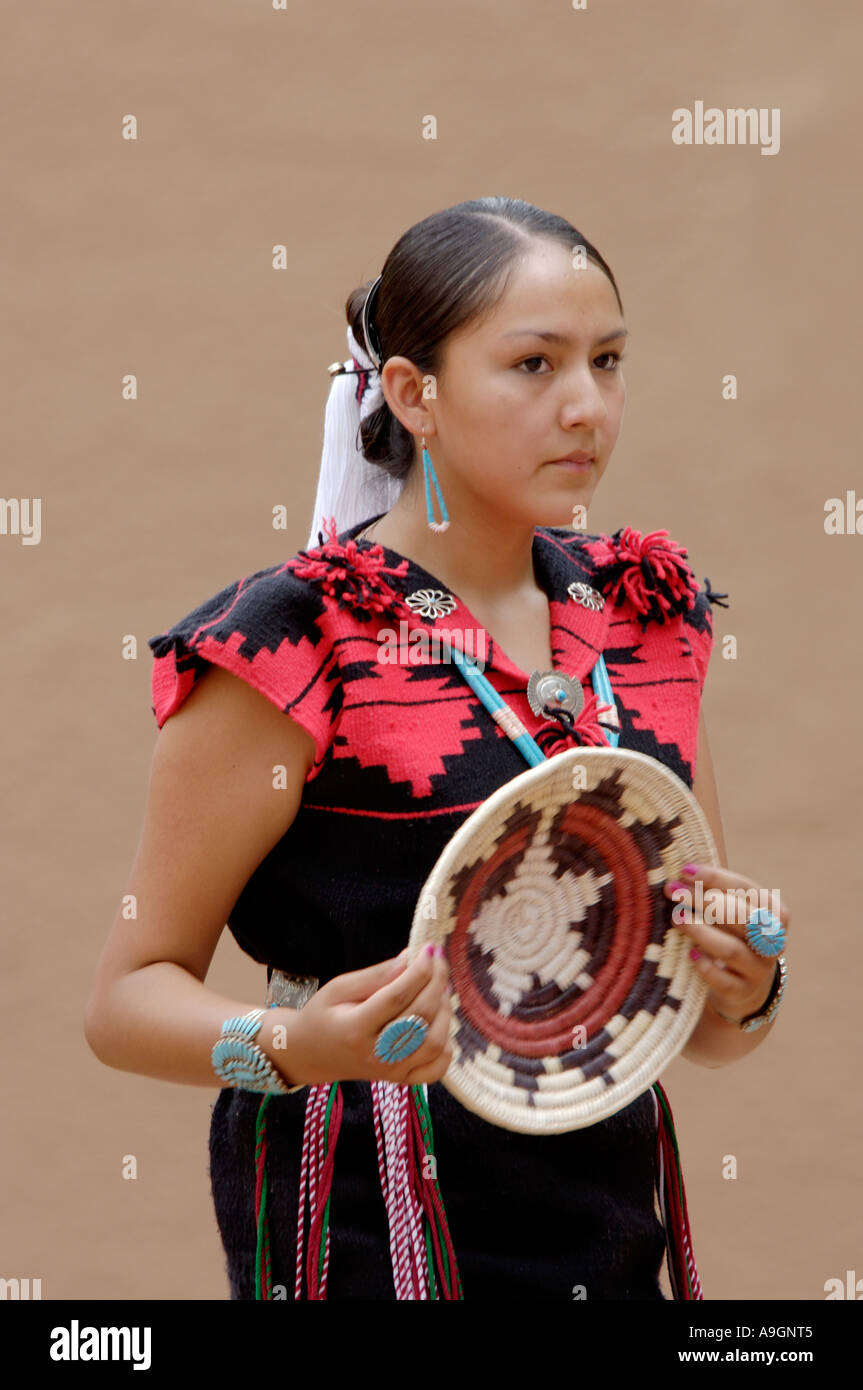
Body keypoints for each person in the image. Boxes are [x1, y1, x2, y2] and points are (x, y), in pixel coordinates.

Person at [84, 196, 789, 1301]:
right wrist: (291, 1045)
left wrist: (745, 989)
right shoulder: (292, 641)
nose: (584, 406)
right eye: (532, 365)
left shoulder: (650, 619)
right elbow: (124, 1004)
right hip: (357, 1227)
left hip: (601, 1229)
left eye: (606, 361)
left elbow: (697, 1020)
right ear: (414, 393)